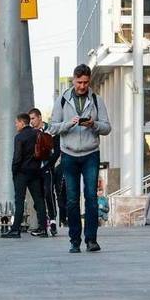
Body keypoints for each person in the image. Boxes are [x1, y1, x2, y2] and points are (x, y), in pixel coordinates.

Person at [49, 64, 112, 253]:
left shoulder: (96, 100)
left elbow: (107, 127)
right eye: (79, 82)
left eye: (85, 82)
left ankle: (91, 239)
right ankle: (74, 240)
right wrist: (69, 124)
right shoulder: (62, 100)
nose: (82, 86)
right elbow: (52, 128)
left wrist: (94, 125)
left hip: (91, 154)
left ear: (89, 81)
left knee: (91, 198)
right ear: (73, 80)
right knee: (72, 199)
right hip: (68, 154)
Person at [1, 113, 48, 238]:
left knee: (19, 201)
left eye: (17, 122)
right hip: (36, 172)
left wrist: (14, 171)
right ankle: (43, 229)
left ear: (22, 122)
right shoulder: (37, 133)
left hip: (22, 172)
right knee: (39, 200)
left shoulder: (19, 137)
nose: (16, 125)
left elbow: (17, 157)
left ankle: (15, 230)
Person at [28, 108, 61, 236]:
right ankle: (42, 225)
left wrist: (48, 165)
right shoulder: (31, 133)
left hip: (48, 168)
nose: (31, 122)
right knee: (38, 196)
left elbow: (57, 151)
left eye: (33, 118)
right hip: (35, 169)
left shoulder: (51, 130)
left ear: (40, 117)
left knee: (48, 192)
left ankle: (52, 221)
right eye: (30, 119)